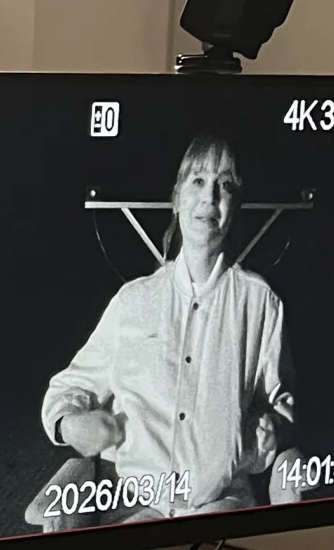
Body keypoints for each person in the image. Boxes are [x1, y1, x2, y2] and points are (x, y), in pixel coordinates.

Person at [34, 133, 294, 523]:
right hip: (140, 506)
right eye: (198, 181)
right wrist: (69, 425)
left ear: (236, 205)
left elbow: (282, 403)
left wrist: (275, 426)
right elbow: (69, 388)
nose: (210, 198)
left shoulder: (261, 302)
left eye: (225, 185)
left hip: (222, 503)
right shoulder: (133, 301)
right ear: (177, 198)